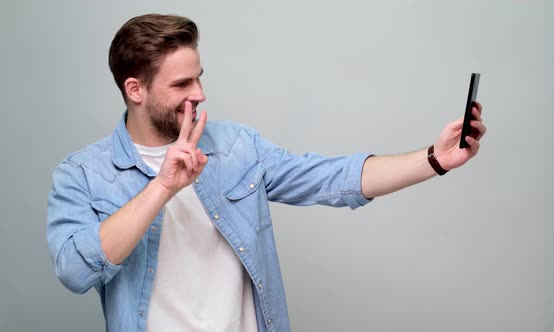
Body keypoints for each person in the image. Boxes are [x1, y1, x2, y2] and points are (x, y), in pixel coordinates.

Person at [46, 13, 486, 332]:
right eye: (181, 85)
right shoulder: (83, 174)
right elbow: (75, 270)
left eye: (198, 78)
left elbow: (332, 178)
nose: (199, 94)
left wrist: (434, 159)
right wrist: (162, 187)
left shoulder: (236, 147)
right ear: (135, 89)